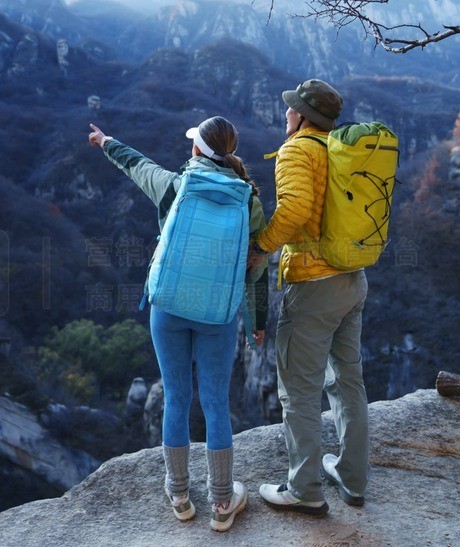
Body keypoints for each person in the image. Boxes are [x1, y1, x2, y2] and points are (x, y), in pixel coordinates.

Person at [88, 117, 268, 532]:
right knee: (216, 403)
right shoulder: (249, 201)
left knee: (175, 395)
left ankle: (180, 496)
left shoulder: (175, 186)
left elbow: (137, 164)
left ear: (196, 150)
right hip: (217, 315)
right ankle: (223, 504)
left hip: (168, 307)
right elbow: (255, 269)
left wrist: (105, 141)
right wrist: (258, 321)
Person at [250, 79, 369, 516]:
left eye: (290, 109)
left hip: (314, 283)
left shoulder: (298, 150)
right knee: (347, 380)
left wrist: (262, 244)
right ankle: (353, 480)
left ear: (302, 116)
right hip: (352, 279)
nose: (285, 114)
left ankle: (305, 490)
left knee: (299, 391)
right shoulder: (342, 148)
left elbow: (296, 209)